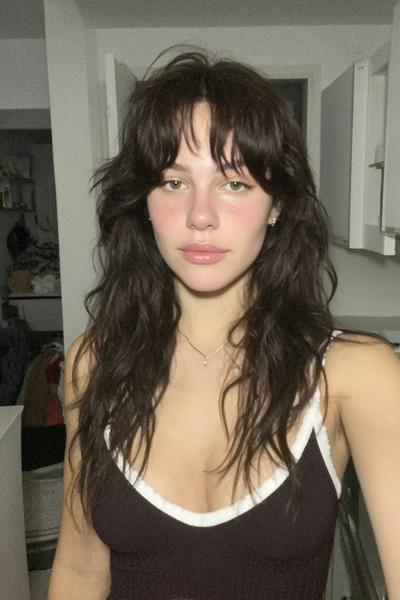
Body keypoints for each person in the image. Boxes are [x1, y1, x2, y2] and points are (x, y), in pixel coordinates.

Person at [48, 50, 400, 600]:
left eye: (234, 183)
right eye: (173, 182)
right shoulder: (94, 362)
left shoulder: (354, 374)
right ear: (143, 202)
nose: (200, 215)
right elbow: (79, 571)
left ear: (277, 205)